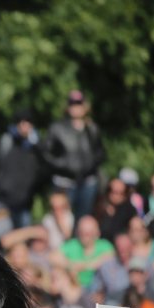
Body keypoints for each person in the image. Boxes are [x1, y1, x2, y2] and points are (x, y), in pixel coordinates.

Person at [41, 90, 106, 222]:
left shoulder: (92, 128)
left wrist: (91, 165)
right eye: (72, 104)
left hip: (87, 182)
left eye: (79, 104)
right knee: (64, 220)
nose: (76, 107)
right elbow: (45, 153)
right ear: (67, 106)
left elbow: (100, 152)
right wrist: (62, 165)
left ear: (85, 106)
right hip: (64, 183)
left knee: (84, 220)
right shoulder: (57, 128)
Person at [0, 108, 44, 228]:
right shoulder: (5, 142)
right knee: (0, 233)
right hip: (3, 202)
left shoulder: (36, 147)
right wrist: (1, 186)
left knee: (22, 234)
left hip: (25, 204)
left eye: (28, 122)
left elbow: (43, 171)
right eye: (21, 122)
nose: (25, 126)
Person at [53, 215, 114, 289]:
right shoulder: (73, 244)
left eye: (89, 233)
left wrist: (83, 266)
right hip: (74, 286)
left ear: (97, 233)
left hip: (98, 287)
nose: (85, 236)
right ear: (78, 232)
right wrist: (71, 266)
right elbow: (53, 257)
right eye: (82, 232)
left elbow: (110, 257)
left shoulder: (104, 245)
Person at [93, 178, 138, 243]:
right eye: (113, 192)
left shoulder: (129, 210)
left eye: (120, 193)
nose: (116, 196)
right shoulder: (98, 206)